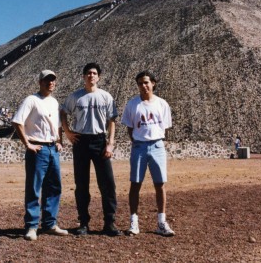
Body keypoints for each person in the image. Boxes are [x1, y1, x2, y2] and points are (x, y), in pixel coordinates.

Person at [61, 62, 121, 236]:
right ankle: (84, 222)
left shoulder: (105, 96)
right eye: (88, 73)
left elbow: (112, 121)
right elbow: (63, 112)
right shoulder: (76, 96)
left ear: (99, 77)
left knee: (108, 183)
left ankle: (109, 223)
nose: (91, 76)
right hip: (81, 141)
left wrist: (110, 143)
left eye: (94, 73)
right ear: (83, 76)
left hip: (99, 140)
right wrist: (67, 132)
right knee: (81, 184)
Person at [12, 70, 68, 241]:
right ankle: (31, 226)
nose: (50, 83)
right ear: (40, 82)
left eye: (53, 80)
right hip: (38, 149)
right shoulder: (31, 100)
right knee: (34, 188)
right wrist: (28, 144)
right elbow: (17, 121)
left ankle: (50, 223)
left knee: (54, 187)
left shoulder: (54, 102)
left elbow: (57, 124)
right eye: (47, 80)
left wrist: (59, 141)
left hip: (52, 148)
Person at [121, 70, 175, 237]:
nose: (143, 86)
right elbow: (130, 128)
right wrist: (138, 141)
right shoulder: (132, 104)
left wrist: (154, 141)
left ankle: (161, 221)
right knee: (135, 183)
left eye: (146, 82)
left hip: (157, 145)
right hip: (139, 146)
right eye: (140, 83)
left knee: (160, 184)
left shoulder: (162, 104)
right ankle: (134, 221)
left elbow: (164, 127)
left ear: (153, 83)